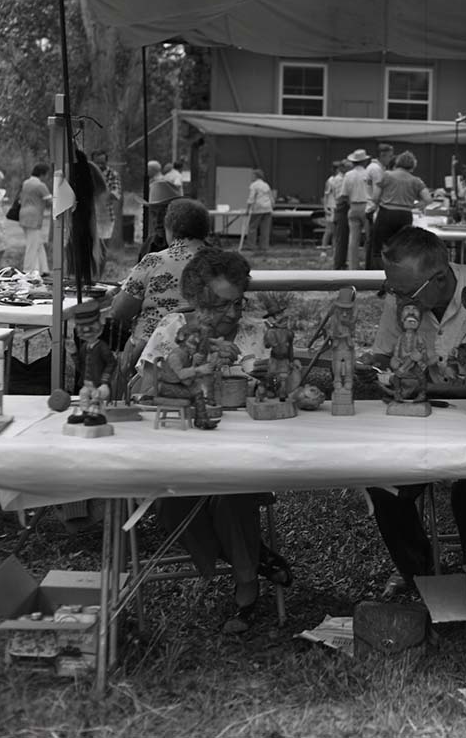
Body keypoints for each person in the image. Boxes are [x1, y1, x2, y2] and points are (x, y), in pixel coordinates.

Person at [137, 247, 292, 634]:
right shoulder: (174, 329)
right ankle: (254, 558)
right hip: (182, 445)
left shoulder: (258, 333)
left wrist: (276, 373)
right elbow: (144, 390)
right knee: (171, 501)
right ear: (196, 301)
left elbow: (289, 389)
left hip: (246, 450)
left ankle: (245, 583)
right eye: (221, 305)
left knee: (229, 495)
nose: (233, 314)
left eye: (238, 303)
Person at [367, 226, 466, 597]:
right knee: (382, 482)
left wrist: (429, 385)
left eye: (404, 292)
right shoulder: (402, 294)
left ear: (438, 279)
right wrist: (375, 372)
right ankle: (420, 574)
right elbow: (381, 355)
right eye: (392, 289)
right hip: (419, 419)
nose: (397, 298)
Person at [111, 197, 211, 368]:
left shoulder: (154, 261)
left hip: (151, 353)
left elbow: (120, 311)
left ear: (170, 229)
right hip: (206, 348)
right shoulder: (220, 262)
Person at [370, 151, 431, 267]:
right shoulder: (416, 180)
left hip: (386, 213)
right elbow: (428, 199)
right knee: (401, 249)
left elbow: (375, 197)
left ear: (398, 162)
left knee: (380, 248)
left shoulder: (387, 175)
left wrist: (379, 202)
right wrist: (414, 205)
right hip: (405, 215)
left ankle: (378, 275)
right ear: (413, 165)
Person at [17, 163, 53, 274]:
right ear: (43, 174)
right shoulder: (40, 185)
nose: (48, 177)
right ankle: (28, 270)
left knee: (38, 243)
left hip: (23, 214)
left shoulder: (26, 183)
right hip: (34, 216)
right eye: (47, 174)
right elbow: (51, 201)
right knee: (32, 245)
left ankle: (43, 269)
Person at [364, 143, 394, 268]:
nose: (391, 159)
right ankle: (373, 268)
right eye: (390, 156)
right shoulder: (377, 169)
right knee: (375, 243)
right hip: (374, 207)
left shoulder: (373, 167)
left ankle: (370, 266)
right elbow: (377, 192)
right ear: (382, 155)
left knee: (371, 241)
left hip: (370, 206)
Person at [341, 149, 372, 269]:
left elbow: (343, 195)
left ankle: (353, 267)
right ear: (364, 161)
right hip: (367, 206)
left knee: (353, 239)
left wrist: (350, 202)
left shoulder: (348, 175)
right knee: (369, 239)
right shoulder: (368, 173)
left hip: (353, 206)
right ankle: (368, 264)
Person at [137, 179, 183, 259]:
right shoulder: (148, 245)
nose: (157, 220)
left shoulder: (186, 246)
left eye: (163, 213)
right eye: (154, 214)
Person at [92, 149, 123, 254]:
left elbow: (116, 193)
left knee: (102, 247)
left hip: (106, 216)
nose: (100, 165)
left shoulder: (112, 174)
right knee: (90, 246)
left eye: (102, 163)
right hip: (90, 216)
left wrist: (103, 193)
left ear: (106, 162)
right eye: (97, 163)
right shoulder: (88, 173)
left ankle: (100, 269)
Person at [245, 169, 274, 252]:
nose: (252, 177)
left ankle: (251, 246)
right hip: (267, 208)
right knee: (265, 228)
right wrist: (272, 206)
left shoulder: (254, 185)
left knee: (252, 227)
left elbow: (251, 198)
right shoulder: (266, 185)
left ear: (256, 176)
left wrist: (247, 209)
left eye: (253, 175)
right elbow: (271, 197)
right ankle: (264, 247)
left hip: (258, 208)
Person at [322, 161, 345, 249]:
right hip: (331, 208)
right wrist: (325, 208)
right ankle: (323, 250)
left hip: (338, 207)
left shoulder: (342, 179)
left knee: (336, 232)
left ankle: (335, 250)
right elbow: (326, 195)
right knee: (329, 230)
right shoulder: (330, 180)